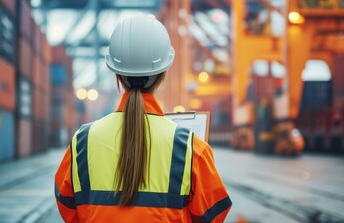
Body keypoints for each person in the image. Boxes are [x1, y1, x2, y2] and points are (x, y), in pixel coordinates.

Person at [54, 13, 232, 223]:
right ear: (163, 73)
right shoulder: (190, 147)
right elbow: (213, 215)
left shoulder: (82, 142)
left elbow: (68, 207)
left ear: (117, 75)